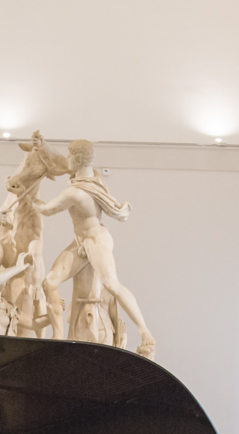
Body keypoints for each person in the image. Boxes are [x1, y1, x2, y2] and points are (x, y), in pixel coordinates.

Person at [36, 139, 156, 359]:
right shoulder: (94, 177)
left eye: (70, 156)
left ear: (78, 159)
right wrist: (42, 147)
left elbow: (46, 209)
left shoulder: (74, 192)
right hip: (80, 241)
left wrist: (26, 194)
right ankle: (57, 336)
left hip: (96, 239)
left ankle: (144, 329)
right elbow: (62, 163)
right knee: (49, 282)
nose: (67, 160)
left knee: (111, 283)